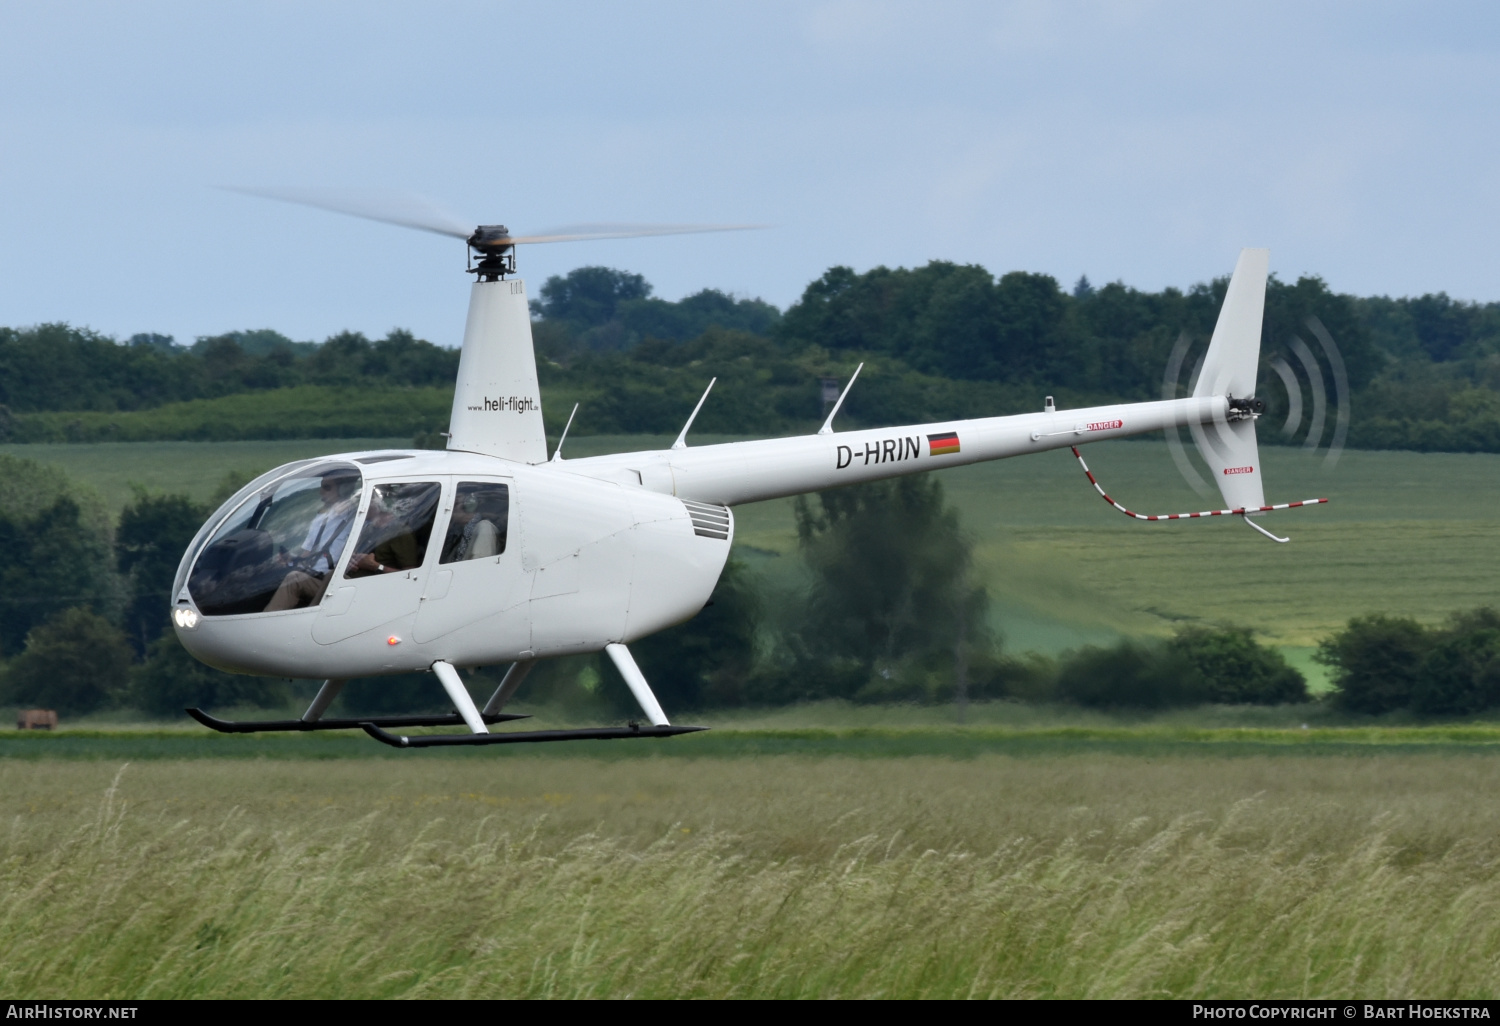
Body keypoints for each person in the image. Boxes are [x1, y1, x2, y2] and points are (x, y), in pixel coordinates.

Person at [263, 470, 360, 611]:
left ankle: (269, 626)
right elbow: (307, 554)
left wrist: (352, 501)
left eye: (327, 487)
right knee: (273, 572)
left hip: (335, 583)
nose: (321, 492)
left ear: (343, 489)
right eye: (321, 486)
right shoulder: (320, 519)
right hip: (313, 575)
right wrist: (290, 560)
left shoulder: (356, 519)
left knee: (293, 579)